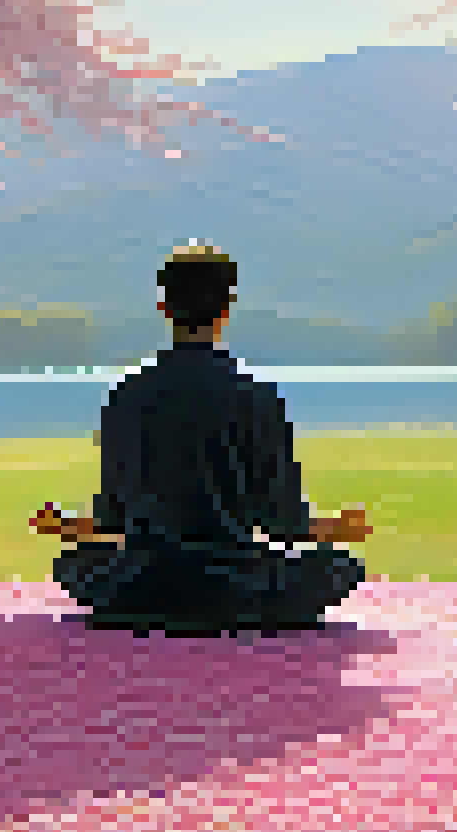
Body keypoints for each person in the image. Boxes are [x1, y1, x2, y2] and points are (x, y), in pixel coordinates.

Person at [34, 244, 371, 635]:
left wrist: (68, 526)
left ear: (164, 308)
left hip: (144, 586)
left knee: (75, 563)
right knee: (339, 564)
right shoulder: (257, 394)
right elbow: (284, 524)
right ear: (226, 309)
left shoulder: (127, 394)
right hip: (239, 586)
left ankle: (152, 609)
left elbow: (116, 517)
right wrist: (338, 528)